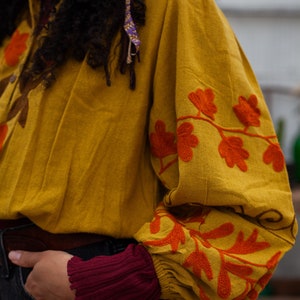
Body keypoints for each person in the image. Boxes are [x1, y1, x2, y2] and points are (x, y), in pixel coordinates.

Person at [0, 0, 297, 299]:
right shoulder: (24, 12)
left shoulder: (173, 7)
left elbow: (248, 206)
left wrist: (107, 279)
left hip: (78, 281)